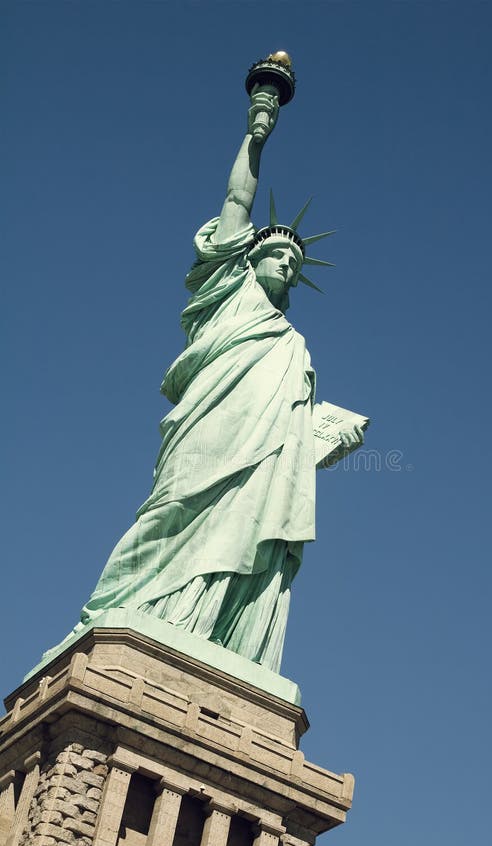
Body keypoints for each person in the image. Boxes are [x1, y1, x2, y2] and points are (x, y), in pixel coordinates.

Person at [70, 86, 363, 673]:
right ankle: (111, 614)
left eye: (295, 263)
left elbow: (294, 419)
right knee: (171, 508)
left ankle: (219, 637)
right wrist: (257, 134)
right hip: (208, 426)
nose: (287, 263)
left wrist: (321, 436)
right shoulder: (224, 295)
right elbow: (237, 196)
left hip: (264, 453)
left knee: (249, 525)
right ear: (249, 259)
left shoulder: (293, 344)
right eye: (277, 254)